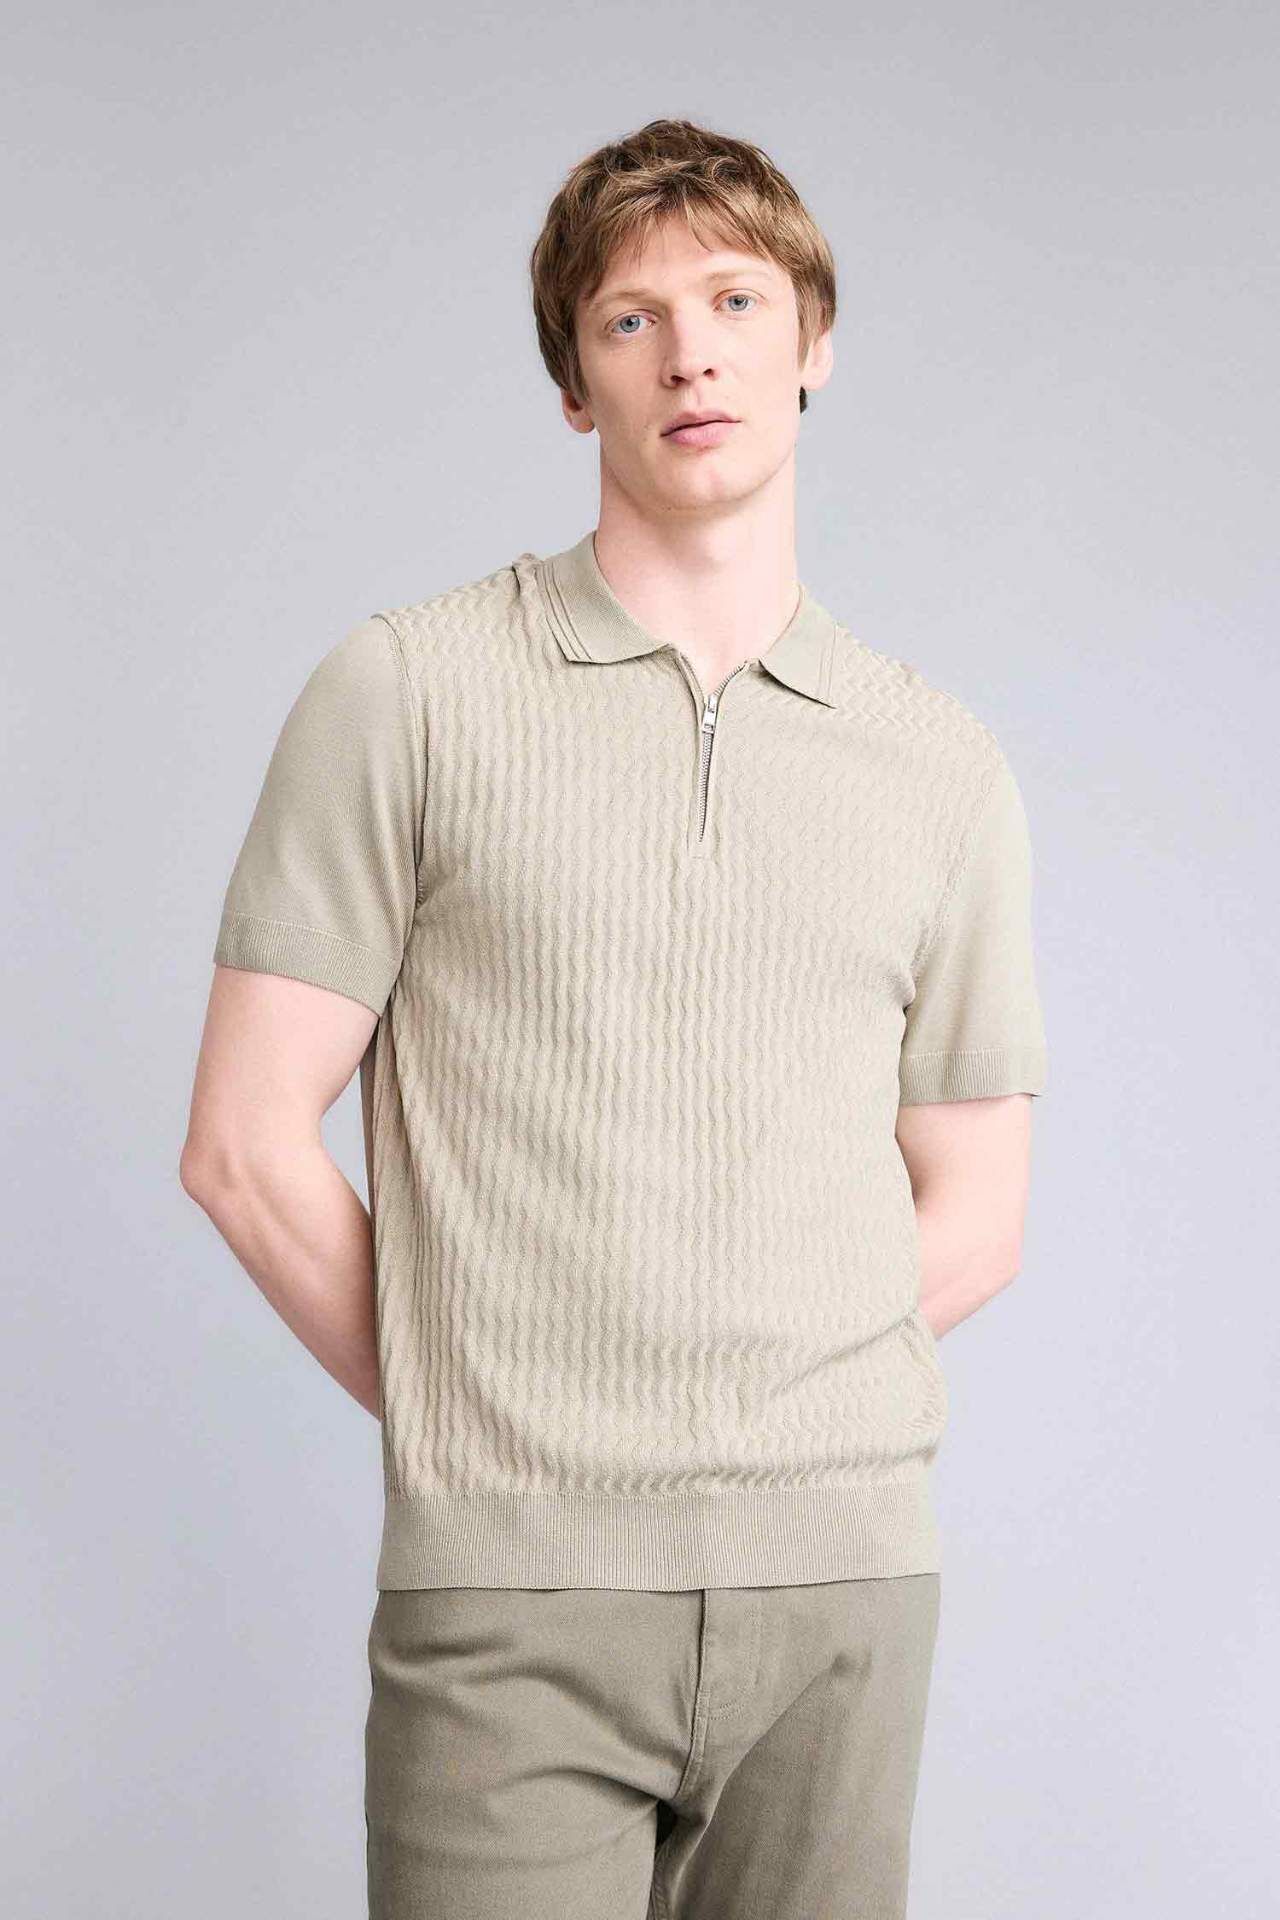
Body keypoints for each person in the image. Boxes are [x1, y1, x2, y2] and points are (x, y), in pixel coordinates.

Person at [180, 115, 1048, 1920]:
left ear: (814, 346)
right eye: (630, 320)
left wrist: (768, 1416)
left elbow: (977, 1209)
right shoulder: (407, 693)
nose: (690, 356)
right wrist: (488, 1422)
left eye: (736, 302)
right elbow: (244, 1150)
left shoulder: (940, 764)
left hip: (842, 1597)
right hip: (511, 1603)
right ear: (576, 385)